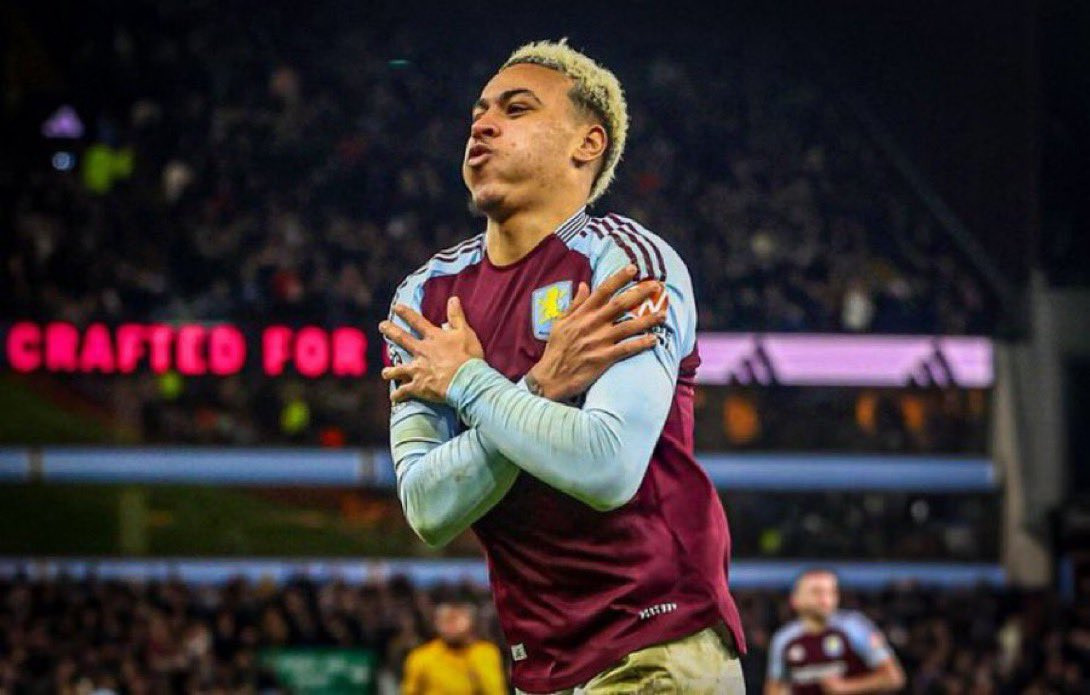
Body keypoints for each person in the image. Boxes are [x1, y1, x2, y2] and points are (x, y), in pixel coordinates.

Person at [379, 39, 745, 694]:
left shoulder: (626, 263)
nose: (483, 125)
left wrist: (466, 381)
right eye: (479, 112)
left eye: (516, 109)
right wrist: (539, 385)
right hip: (540, 665)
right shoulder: (424, 297)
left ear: (587, 143)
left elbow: (607, 467)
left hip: (656, 644)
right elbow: (428, 508)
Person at [766, 569, 906, 694]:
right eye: (816, 592)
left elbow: (894, 678)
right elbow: (775, 687)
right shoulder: (784, 638)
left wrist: (846, 688)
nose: (825, 598)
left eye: (831, 592)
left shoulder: (854, 627)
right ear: (795, 599)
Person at [401, 598, 506, 695]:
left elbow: (496, 690)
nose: (450, 626)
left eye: (455, 619)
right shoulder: (421, 656)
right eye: (444, 620)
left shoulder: (486, 652)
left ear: (471, 622)